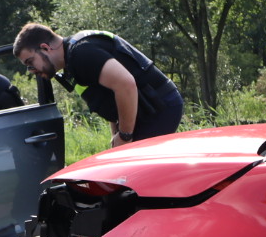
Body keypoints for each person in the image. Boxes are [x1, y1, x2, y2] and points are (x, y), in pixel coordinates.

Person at [12, 23, 184, 146]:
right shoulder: (72, 60)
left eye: (30, 62)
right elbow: (109, 99)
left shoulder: (82, 53)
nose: (31, 70)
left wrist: (125, 135)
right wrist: (116, 136)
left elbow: (125, 85)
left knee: (139, 180)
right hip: (148, 110)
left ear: (45, 48)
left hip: (160, 107)